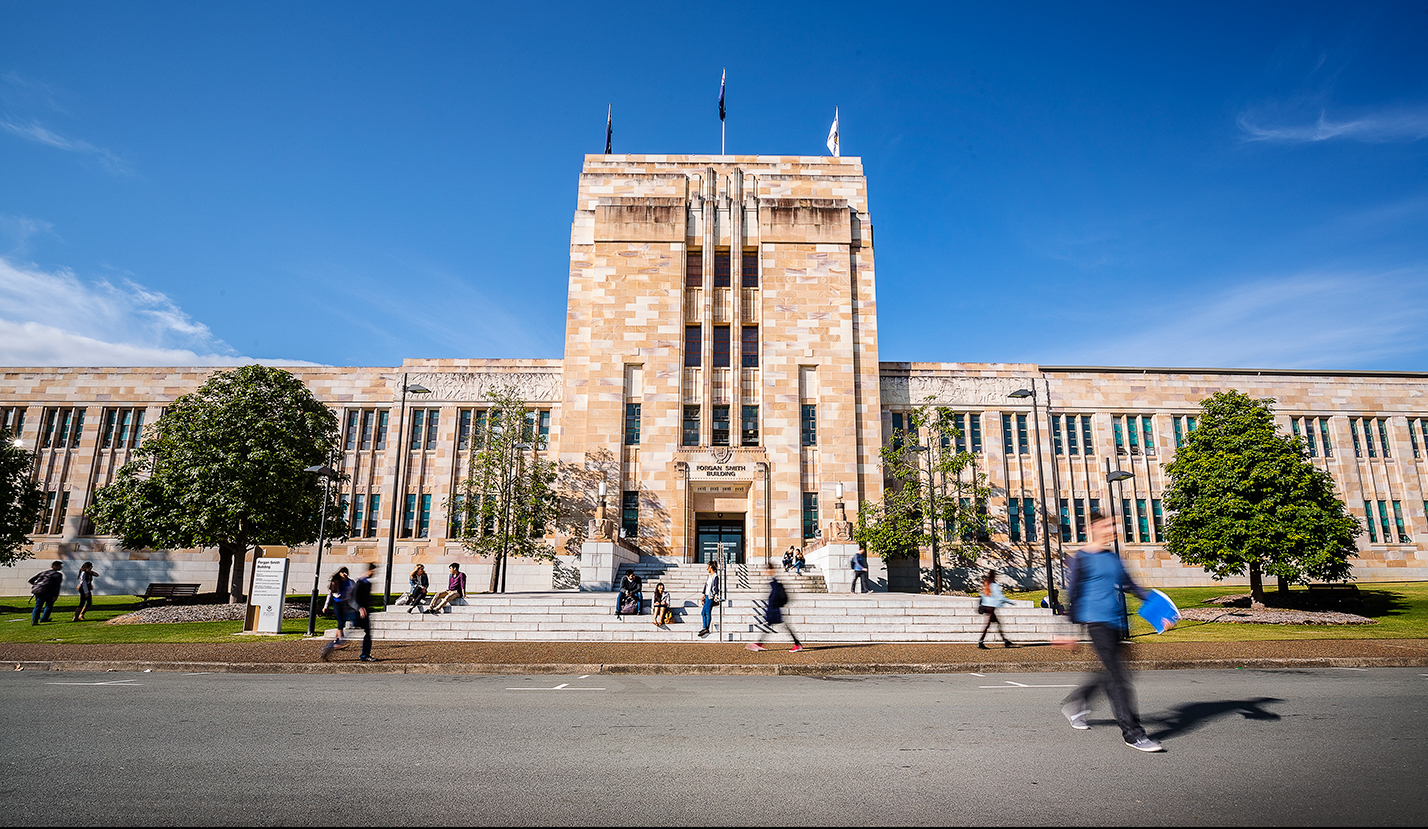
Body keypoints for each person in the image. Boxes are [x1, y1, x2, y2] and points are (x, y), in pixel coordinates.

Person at [1058, 510, 1162, 753]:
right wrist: (1068, 631)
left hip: (1115, 621)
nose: (1112, 530)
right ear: (1093, 528)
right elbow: (1072, 593)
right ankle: (1133, 733)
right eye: (1107, 526)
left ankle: (1077, 703)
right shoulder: (1082, 558)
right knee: (1118, 678)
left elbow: (1130, 585)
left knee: (1110, 671)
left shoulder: (1113, 558)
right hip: (1095, 622)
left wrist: (1160, 609)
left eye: (1113, 526)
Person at [747, 565, 803, 652]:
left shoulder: (775, 582)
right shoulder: (773, 581)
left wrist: (772, 606)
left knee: (781, 626)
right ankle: (759, 644)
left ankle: (797, 644)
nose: (766, 572)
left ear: (771, 570)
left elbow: (775, 596)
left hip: (774, 609)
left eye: (767, 570)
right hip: (774, 609)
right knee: (778, 626)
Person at [344, 563, 377, 662]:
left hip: (364, 612)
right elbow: (352, 599)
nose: (374, 573)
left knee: (367, 633)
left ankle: (365, 654)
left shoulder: (367, 583)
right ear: (369, 570)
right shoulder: (360, 582)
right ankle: (333, 645)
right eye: (373, 571)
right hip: (358, 612)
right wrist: (359, 608)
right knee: (356, 632)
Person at [320, 567, 353, 660]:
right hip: (338, 604)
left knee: (341, 622)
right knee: (340, 622)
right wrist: (325, 606)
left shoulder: (349, 581)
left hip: (345, 604)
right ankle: (340, 641)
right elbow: (330, 594)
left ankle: (336, 640)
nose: (344, 574)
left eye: (346, 572)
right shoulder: (336, 581)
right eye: (343, 572)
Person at [977, 569, 1013, 649]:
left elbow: (982, 594)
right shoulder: (994, 585)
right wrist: (1010, 602)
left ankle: (1005, 641)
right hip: (991, 607)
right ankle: (981, 641)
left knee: (997, 624)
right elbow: (1000, 596)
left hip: (986, 606)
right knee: (989, 625)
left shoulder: (986, 584)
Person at [28, 561, 63, 625]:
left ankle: (34, 620)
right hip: (49, 593)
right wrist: (55, 595)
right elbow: (57, 586)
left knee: (38, 606)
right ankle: (44, 618)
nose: (61, 567)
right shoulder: (58, 575)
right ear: (55, 566)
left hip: (39, 592)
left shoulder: (43, 573)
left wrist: (37, 585)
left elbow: (31, 580)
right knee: (48, 606)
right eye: (59, 566)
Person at [697, 561, 719, 638]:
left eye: (707, 567)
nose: (706, 568)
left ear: (711, 567)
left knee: (707, 612)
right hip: (706, 596)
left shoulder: (715, 576)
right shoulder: (709, 576)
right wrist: (703, 594)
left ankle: (706, 628)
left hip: (711, 597)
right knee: (703, 612)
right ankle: (704, 627)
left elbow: (716, 586)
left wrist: (716, 595)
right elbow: (706, 585)